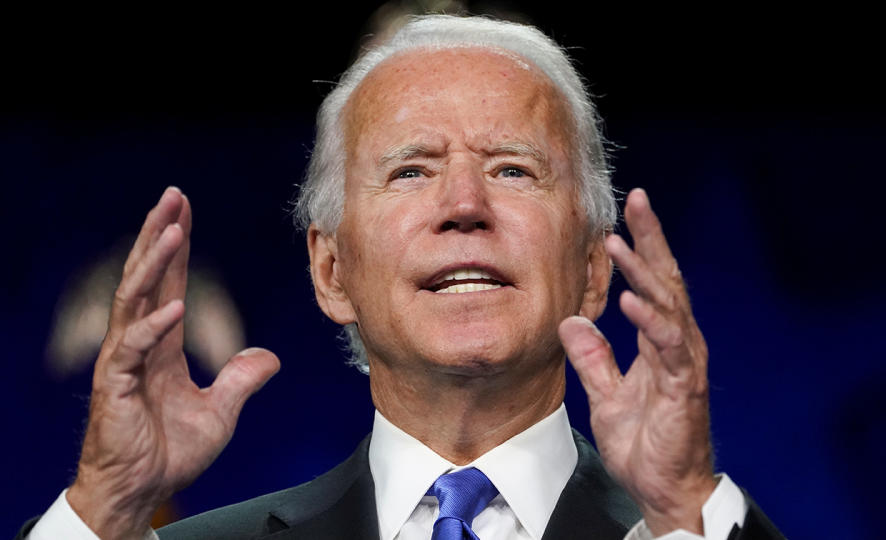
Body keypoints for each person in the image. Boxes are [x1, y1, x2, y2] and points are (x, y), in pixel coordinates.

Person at [19, 15, 783, 540]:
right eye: (411, 170)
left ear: (591, 270)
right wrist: (106, 506)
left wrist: (683, 510)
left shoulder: (688, 528)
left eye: (512, 169)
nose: (463, 205)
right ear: (331, 269)